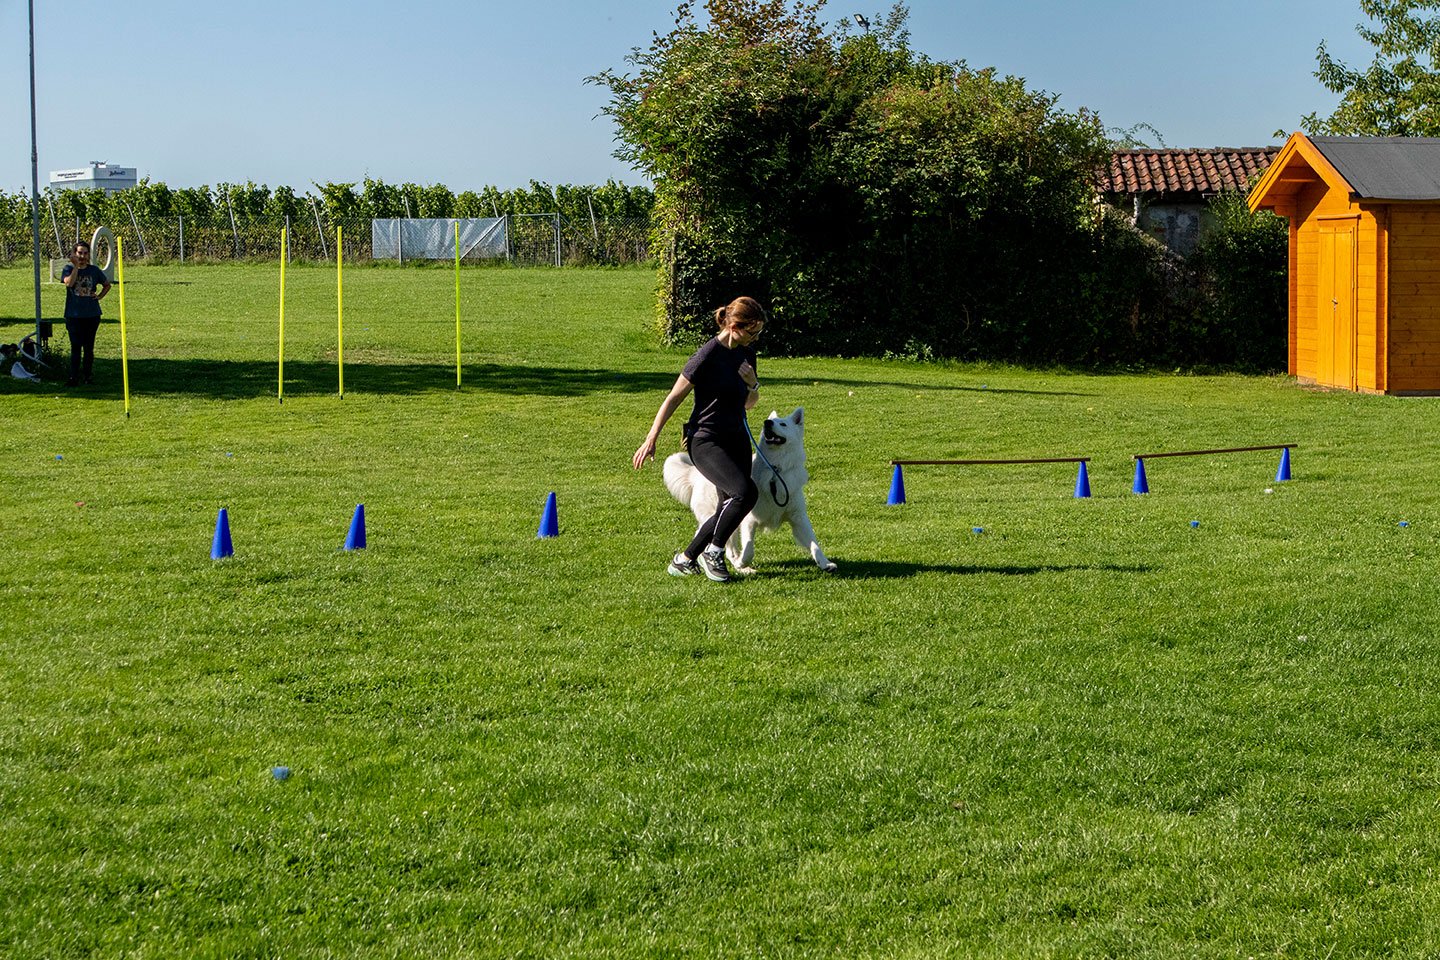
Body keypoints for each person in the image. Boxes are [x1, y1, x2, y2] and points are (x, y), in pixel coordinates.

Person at [633, 296, 766, 582]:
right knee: (746, 493)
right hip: (706, 439)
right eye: (752, 332)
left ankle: (684, 559)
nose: (755, 338)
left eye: (758, 332)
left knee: (728, 504)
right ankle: (714, 553)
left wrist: (752, 383)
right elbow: (674, 397)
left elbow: (749, 404)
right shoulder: (706, 356)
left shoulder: (747, 355)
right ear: (734, 326)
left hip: (737, 436)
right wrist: (651, 437)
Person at [60, 241, 111, 387]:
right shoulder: (68, 268)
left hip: (91, 314)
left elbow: (107, 285)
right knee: (75, 347)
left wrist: (100, 296)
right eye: (79, 253)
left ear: (89, 255)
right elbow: (69, 284)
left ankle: (88, 376)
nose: (82, 256)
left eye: (85, 253)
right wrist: (76, 266)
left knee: (89, 348)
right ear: (74, 254)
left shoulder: (94, 270)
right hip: (74, 315)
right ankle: (73, 377)